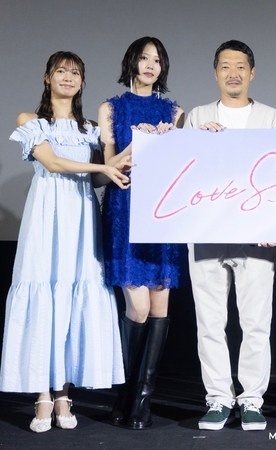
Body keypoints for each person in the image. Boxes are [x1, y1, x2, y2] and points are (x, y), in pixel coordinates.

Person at [0, 51, 129, 433]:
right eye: (61, 71)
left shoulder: (91, 129)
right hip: (46, 217)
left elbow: (99, 178)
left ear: (82, 82)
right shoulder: (30, 121)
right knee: (45, 295)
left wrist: (130, 155)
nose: (69, 77)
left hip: (82, 218)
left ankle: (63, 395)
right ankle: (42, 394)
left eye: (75, 72)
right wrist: (102, 165)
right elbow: (53, 163)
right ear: (47, 77)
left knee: (74, 297)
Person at [184, 40, 276, 432]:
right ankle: (218, 398)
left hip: (256, 235)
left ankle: (252, 400)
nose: (233, 73)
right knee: (210, 321)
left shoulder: (271, 117)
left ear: (252, 73)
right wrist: (197, 139)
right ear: (215, 73)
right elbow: (183, 169)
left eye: (240, 66)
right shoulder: (197, 116)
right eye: (225, 66)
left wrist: (275, 224)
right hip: (207, 230)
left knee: (256, 321)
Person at [98, 36, 186, 430]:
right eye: (145, 58)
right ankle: (124, 393)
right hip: (126, 211)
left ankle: (142, 401)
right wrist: (139, 144)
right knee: (138, 308)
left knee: (160, 307)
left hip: (162, 212)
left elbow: (182, 167)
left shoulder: (175, 112)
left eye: (157, 60)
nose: (151, 66)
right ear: (132, 62)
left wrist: (168, 140)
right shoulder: (110, 109)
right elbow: (109, 167)